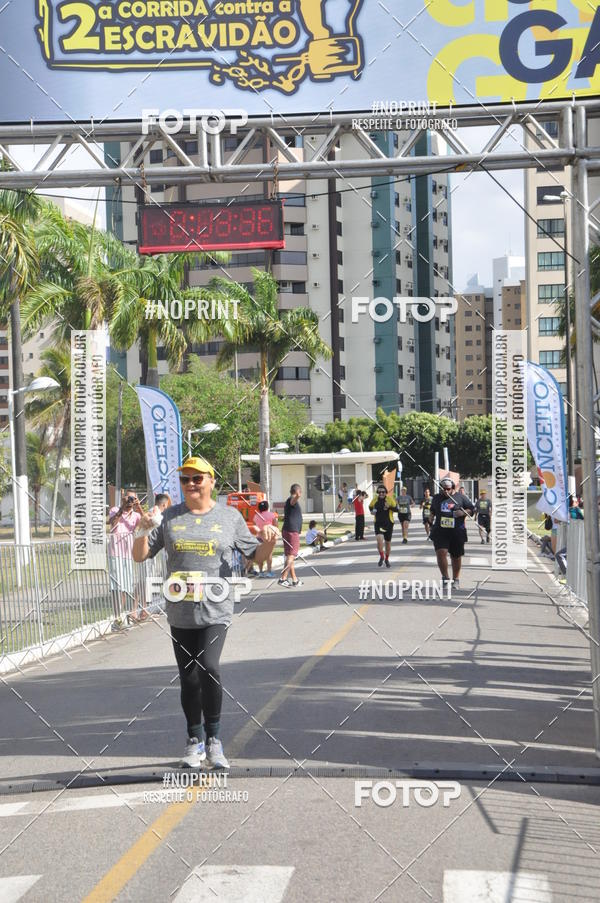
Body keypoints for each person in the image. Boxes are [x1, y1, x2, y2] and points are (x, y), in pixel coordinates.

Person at [133, 456, 278, 770]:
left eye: (198, 479)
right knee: (188, 677)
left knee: (208, 667)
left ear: (212, 481)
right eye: (185, 480)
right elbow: (140, 556)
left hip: (216, 608)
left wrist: (271, 541)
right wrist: (141, 532)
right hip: (180, 611)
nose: (191, 485)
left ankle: (213, 740)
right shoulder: (170, 517)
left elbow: (257, 555)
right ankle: (193, 740)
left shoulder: (229, 518)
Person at [428, 477, 475, 590]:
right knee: (441, 553)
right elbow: (432, 511)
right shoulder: (436, 498)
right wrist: (430, 521)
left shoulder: (461, 497)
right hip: (440, 531)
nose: (446, 491)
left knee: (456, 556)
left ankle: (456, 579)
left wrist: (463, 512)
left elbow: (471, 510)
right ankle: (445, 577)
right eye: (443, 489)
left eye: (448, 489)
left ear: (453, 488)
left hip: (457, 532)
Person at [108, 489, 143, 628]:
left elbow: (149, 523)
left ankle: (121, 615)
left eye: (132, 499)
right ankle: (117, 617)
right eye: (128, 498)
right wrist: (122, 508)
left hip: (128, 553)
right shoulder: (115, 509)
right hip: (115, 552)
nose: (130, 501)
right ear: (123, 498)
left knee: (126, 587)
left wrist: (139, 507)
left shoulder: (136, 515)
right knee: (117, 586)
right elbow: (112, 523)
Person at [279, 483, 304, 587]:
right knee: (291, 556)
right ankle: (283, 578)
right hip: (291, 532)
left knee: (290, 556)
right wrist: (297, 496)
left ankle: (294, 580)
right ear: (298, 491)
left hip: (288, 530)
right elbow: (293, 501)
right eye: (300, 492)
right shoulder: (291, 500)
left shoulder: (289, 501)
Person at [369, 483, 397, 568]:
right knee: (379, 540)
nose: (381, 493)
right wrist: (372, 511)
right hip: (378, 523)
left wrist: (389, 507)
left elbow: (397, 509)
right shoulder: (375, 500)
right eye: (379, 492)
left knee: (387, 543)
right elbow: (370, 507)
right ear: (377, 492)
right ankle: (381, 556)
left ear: (386, 492)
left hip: (388, 523)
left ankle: (387, 559)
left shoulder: (390, 499)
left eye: (383, 492)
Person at [253, 500, 278, 577]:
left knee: (260, 555)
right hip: (269, 538)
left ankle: (260, 572)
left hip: (259, 538)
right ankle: (269, 572)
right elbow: (275, 525)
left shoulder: (256, 516)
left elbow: (255, 526)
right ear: (267, 507)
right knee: (269, 555)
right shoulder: (272, 515)